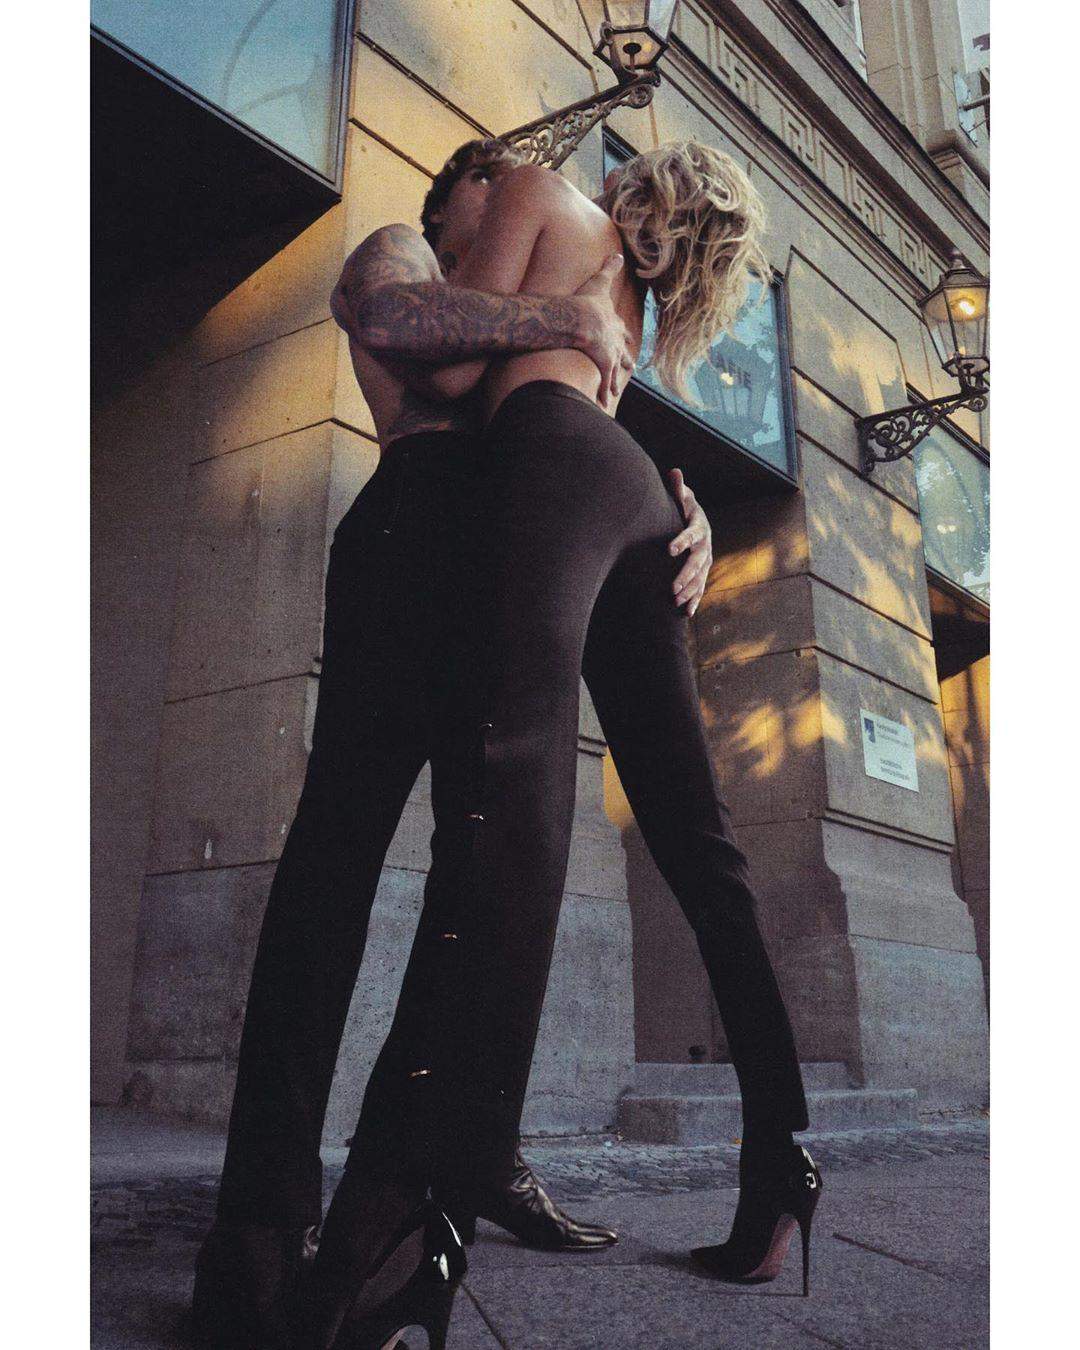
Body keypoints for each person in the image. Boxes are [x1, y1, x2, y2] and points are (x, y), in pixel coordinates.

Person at [189, 138, 716, 1350]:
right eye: (501, 182)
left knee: (486, 877)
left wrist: (681, 520)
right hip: (412, 531)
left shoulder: (533, 306)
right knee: (332, 867)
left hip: (504, 552)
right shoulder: (409, 251)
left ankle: (410, 1202)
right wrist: (567, 317)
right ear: (456, 199)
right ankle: (256, 1229)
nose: (526, 204)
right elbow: (392, 318)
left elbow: (573, 437)